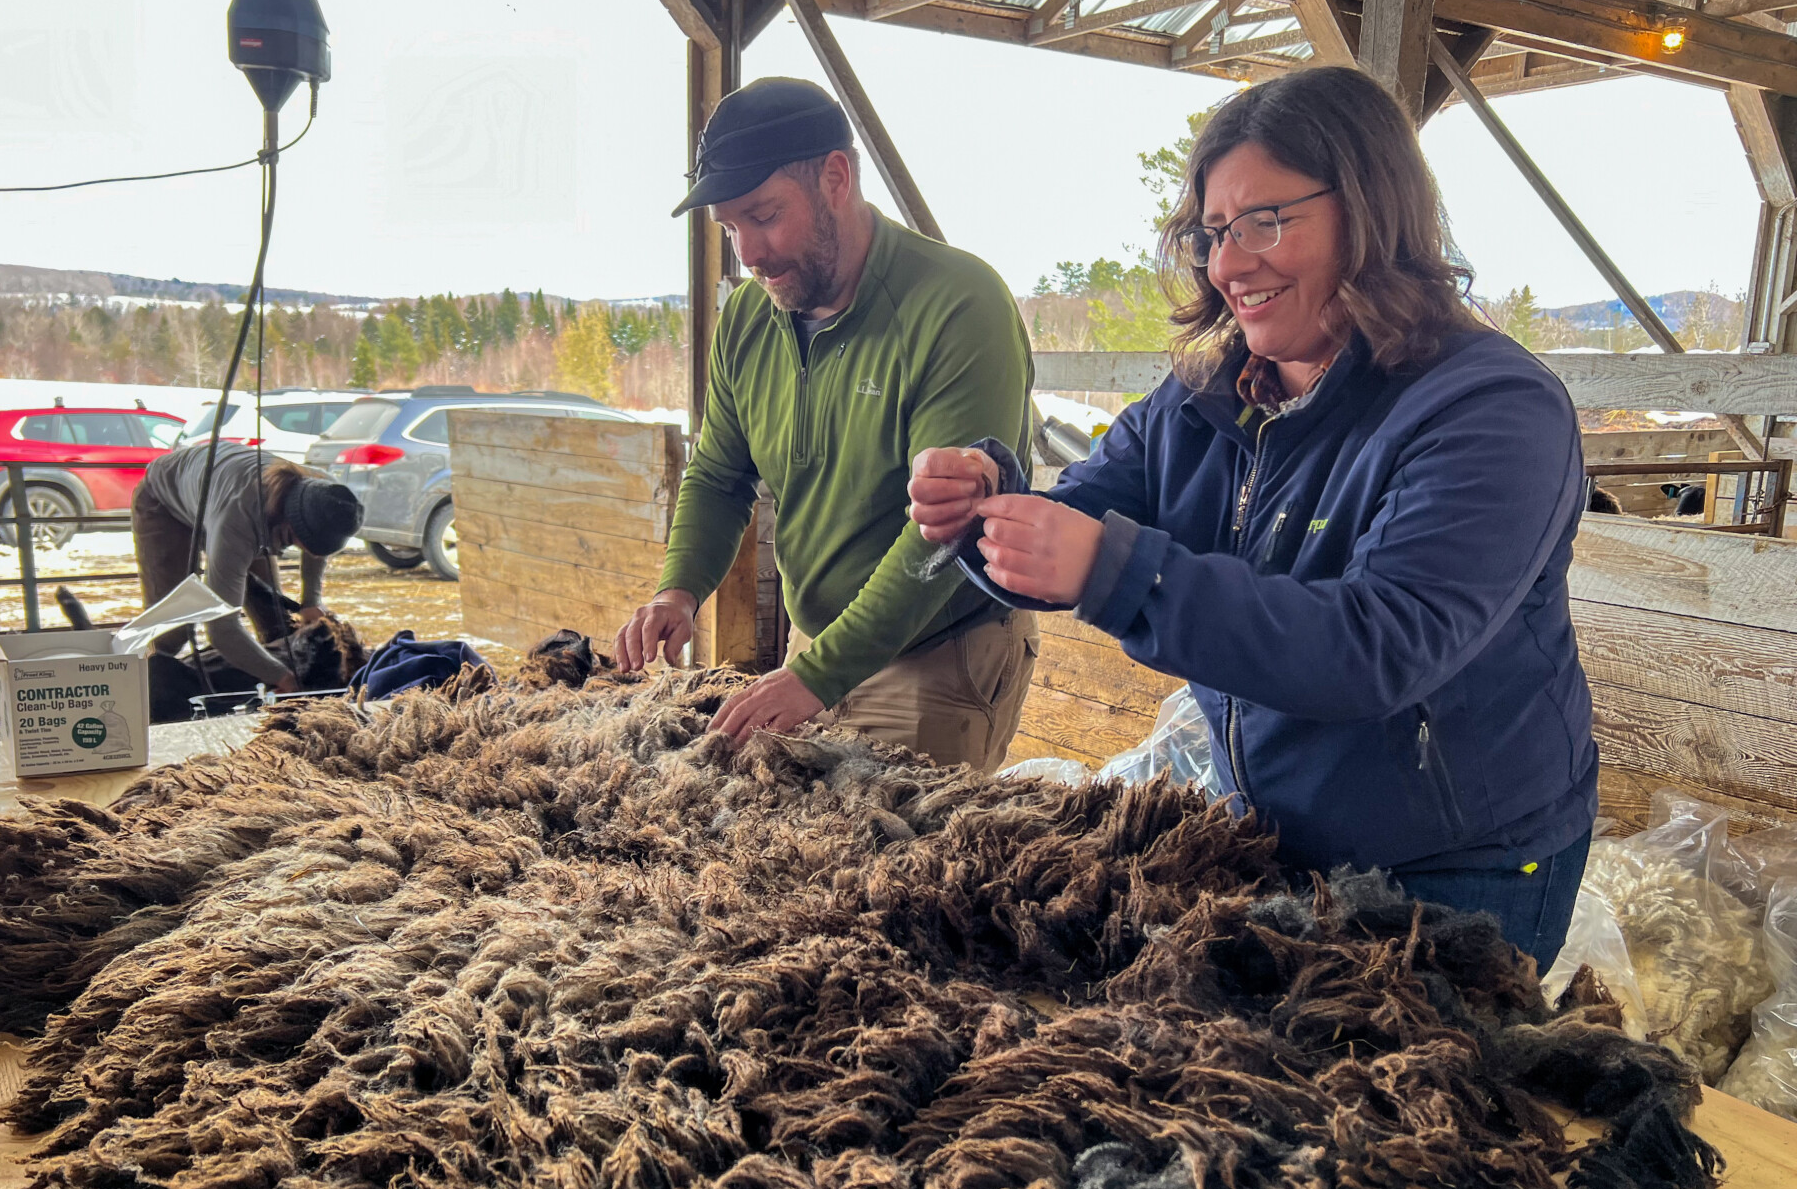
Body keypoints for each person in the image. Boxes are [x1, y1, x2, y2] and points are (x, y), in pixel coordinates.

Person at [908, 65, 1597, 966]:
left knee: (1415, 1097)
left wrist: (1116, 571)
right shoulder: (1205, 392)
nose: (1231, 264)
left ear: (1369, 208)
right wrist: (988, 508)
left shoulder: (1492, 409)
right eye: (1215, 232)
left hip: (1457, 866)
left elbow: (1379, 645)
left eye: (1267, 221)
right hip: (1266, 829)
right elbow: (1076, 519)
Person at [614, 77, 1037, 770]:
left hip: (932, 657)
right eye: (729, 229)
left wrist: (817, 677)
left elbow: (943, 532)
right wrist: (680, 588)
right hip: (813, 642)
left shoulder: (959, 307)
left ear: (836, 178)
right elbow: (720, 476)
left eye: (765, 215)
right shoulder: (750, 320)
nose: (748, 253)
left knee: (895, 868)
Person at [132, 440, 363, 693]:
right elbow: (220, 628)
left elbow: (315, 549)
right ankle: (146, 694)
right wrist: (281, 677)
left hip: (234, 497)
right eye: (289, 540)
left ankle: (266, 687)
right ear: (285, 520)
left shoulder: (326, 493)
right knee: (173, 629)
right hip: (165, 499)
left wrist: (311, 600)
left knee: (275, 620)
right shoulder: (237, 523)